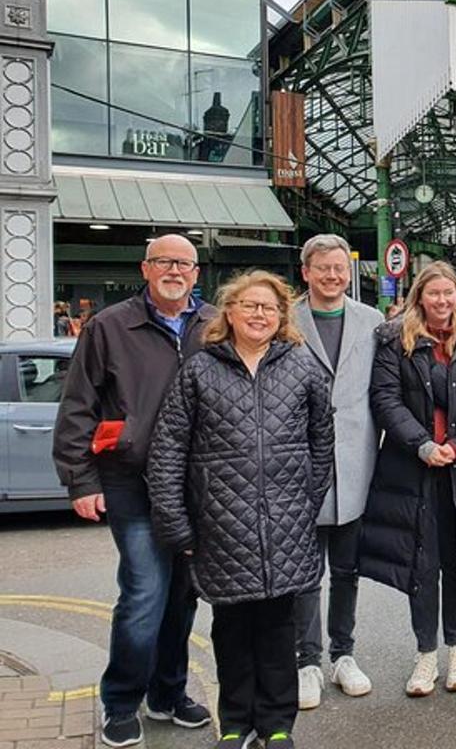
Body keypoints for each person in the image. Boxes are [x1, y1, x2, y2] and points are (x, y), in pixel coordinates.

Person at [146, 270, 334, 749]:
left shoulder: (301, 365)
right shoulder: (200, 370)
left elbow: (322, 441)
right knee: (230, 632)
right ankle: (234, 722)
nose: (259, 315)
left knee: (277, 630)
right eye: (249, 305)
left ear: (281, 316)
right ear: (228, 312)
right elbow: (168, 450)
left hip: (286, 526)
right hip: (220, 526)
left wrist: (303, 502)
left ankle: (276, 724)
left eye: (268, 308)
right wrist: (178, 526)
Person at [52, 234, 214, 748]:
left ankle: (168, 694)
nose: (175, 270)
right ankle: (121, 702)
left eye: (185, 263)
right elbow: (77, 406)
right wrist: (80, 479)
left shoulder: (213, 324)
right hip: (132, 480)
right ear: (146, 269)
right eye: (165, 261)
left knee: (184, 596)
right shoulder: (108, 326)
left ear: (196, 274)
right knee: (145, 592)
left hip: (196, 484)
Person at [357, 262, 456, 697]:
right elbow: (384, 399)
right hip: (414, 468)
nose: (442, 302)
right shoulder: (393, 341)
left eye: (449, 294)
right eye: (434, 294)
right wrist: (423, 444)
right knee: (421, 565)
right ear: (419, 296)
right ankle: (425, 654)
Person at [291, 235, 384, 709]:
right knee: (305, 571)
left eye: (339, 268)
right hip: (298, 464)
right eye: (322, 268)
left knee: (347, 570)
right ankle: (306, 660)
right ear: (305, 271)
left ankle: (342, 654)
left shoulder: (372, 321)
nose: (332, 276)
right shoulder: (285, 320)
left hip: (355, 462)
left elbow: (384, 390)